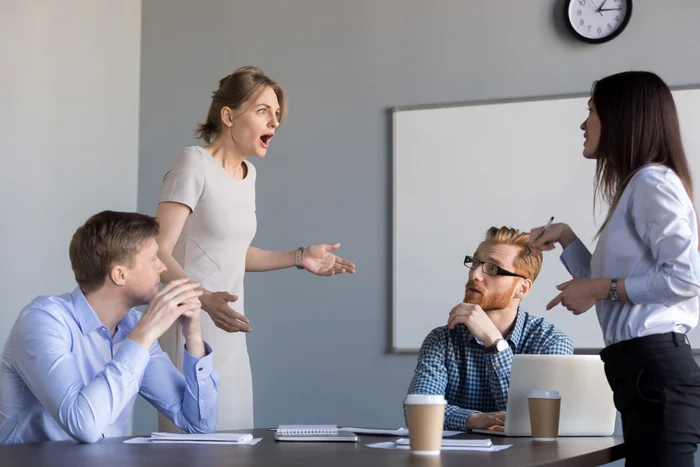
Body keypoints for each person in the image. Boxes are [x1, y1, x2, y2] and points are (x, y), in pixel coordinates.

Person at [155, 66, 356, 431]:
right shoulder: (192, 164)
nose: (275, 122)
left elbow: (233, 252)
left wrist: (300, 258)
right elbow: (156, 250)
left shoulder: (249, 175)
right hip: (190, 324)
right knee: (194, 443)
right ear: (228, 116)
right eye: (263, 110)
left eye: (277, 114)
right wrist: (202, 298)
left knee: (235, 439)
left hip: (229, 328)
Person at [529, 71, 700, 467]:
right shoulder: (637, 186)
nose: (583, 123)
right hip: (638, 368)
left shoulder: (652, 183)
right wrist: (568, 239)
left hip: (653, 366)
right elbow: (615, 282)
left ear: (622, 117)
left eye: (591, 111)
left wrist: (599, 289)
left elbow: (686, 278)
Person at [0, 211, 218, 444]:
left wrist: (193, 336)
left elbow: (198, 423)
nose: (163, 267)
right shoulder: (43, 321)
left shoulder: (133, 328)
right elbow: (84, 426)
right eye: (154, 258)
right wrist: (144, 335)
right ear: (119, 275)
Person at [406, 226, 573, 431]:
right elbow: (418, 411)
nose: (475, 274)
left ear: (522, 288)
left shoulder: (550, 342)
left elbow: (534, 421)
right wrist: (473, 419)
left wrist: (495, 343)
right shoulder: (442, 339)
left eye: (493, 269)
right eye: (475, 262)